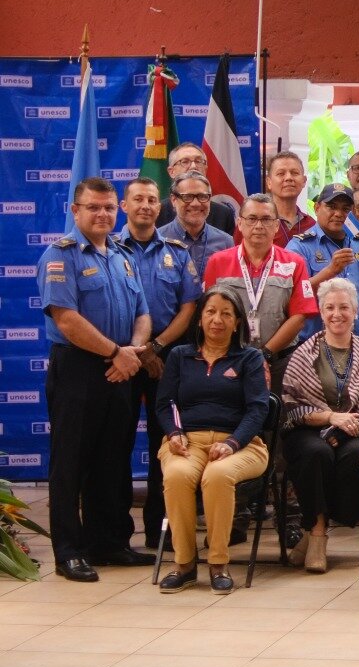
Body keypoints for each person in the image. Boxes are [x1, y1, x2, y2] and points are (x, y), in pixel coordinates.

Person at [39, 177, 154, 582]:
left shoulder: (121, 255)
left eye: (108, 207)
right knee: (70, 463)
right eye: (93, 207)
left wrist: (134, 352)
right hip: (80, 369)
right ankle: (69, 550)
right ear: (76, 211)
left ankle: (108, 542)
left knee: (112, 459)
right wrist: (114, 353)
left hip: (123, 365)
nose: (103, 214)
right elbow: (67, 320)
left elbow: (143, 311)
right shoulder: (61, 256)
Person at [152, 287, 271, 594]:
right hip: (186, 442)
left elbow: (258, 409)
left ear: (237, 323)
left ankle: (218, 563)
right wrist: (174, 433)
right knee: (177, 476)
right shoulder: (180, 356)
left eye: (226, 314)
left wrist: (232, 443)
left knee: (217, 476)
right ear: (200, 319)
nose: (217, 319)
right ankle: (185, 565)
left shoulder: (250, 358)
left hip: (241, 444)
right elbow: (165, 404)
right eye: (210, 312)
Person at [117, 177, 202, 550]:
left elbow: (188, 307)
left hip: (165, 358)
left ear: (160, 205)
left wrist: (156, 346)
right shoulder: (108, 249)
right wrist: (137, 351)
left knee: (164, 443)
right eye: (138, 199)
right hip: (118, 358)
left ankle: (161, 531)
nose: (145, 206)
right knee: (114, 445)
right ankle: (116, 533)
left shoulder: (176, 251)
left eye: (152, 200)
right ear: (125, 206)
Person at [281, 278, 359, 574]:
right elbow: (291, 404)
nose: (337, 314)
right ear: (321, 312)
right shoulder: (303, 353)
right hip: (307, 429)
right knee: (316, 454)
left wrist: (348, 422)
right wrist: (330, 417)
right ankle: (319, 532)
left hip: (354, 430)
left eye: (344, 307)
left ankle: (311, 533)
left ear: (356, 311)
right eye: (330, 308)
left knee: (356, 455)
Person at [203, 193, 316, 370]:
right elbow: (207, 314)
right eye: (252, 219)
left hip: (280, 361)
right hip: (229, 359)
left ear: (277, 225)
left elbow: (299, 316)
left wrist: (265, 354)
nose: (258, 226)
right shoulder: (217, 262)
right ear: (239, 223)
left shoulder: (294, 262)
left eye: (266, 219)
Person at [286, 183, 359, 342]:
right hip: (315, 344)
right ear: (316, 208)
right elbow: (292, 294)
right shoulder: (299, 247)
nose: (338, 213)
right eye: (332, 207)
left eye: (345, 209)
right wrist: (329, 271)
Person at [158, 172, 234, 281]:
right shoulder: (158, 240)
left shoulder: (225, 242)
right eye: (187, 197)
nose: (195, 204)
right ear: (174, 200)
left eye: (202, 196)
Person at [155, 141, 236, 234]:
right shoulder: (157, 212)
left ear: (205, 169)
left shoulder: (223, 214)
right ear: (171, 171)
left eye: (198, 161)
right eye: (185, 162)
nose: (193, 166)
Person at [261, 150, 315, 248]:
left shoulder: (311, 225)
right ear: (269, 182)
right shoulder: (255, 222)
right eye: (281, 173)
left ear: (304, 181)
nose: (289, 178)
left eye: (294, 173)